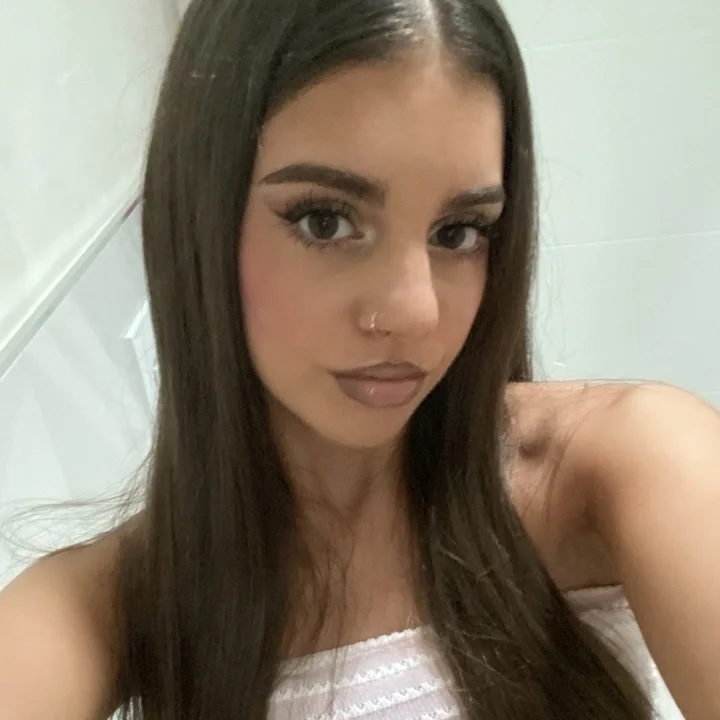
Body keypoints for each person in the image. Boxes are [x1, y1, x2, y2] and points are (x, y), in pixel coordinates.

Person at [0, 0, 719, 718]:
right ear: (201, 219)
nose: (415, 312)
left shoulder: (627, 463)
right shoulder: (102, 612)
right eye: (325, 221)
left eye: (458, 232)